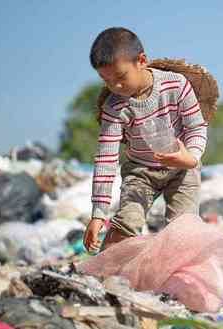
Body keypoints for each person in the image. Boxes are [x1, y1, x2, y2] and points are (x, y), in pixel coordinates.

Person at [82, 27, 208, 252]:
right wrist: (98, 213)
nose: (115, 86)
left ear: (141, 61)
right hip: (140, 173)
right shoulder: (113, 107)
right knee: (125, 225)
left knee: (184, 231)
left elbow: (196, 128)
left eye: (121, 77)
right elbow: (106, 159)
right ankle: (103, 277)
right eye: (106, 80)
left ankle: (176, 279)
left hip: (182, 169)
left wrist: (191, 158)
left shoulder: (176, 85)